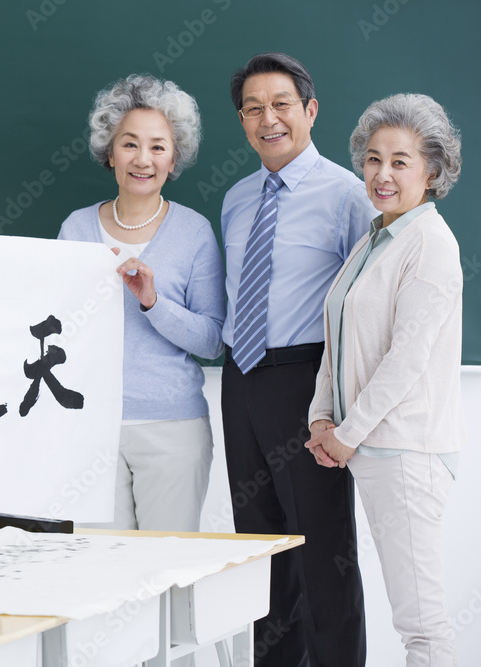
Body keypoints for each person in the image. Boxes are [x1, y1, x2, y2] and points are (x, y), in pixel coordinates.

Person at [219, 52, 376, 666]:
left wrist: (343, 411)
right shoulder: (235, 199)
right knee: (260, 547)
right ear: (242, 121)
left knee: (323, 547)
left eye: (281, 104)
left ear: (310, 110)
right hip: (242, 378)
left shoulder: (348, 195)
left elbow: (367, 310)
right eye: (253, 109)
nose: (269, 119)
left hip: (311, 384)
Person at [305, 93, 463, 666]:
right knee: (408, 612)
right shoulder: (375, 239)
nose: (383, 173)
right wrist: (321, 417)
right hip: (371, 446)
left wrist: (348, 433)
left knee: (420, 623)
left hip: (405, 452)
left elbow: (406, 358)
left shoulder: (429, 244)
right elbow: (338, 335)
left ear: (433, 171)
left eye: (401, 161)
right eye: (373, 159)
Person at [58, 74, 225, 536]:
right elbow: (57, 329)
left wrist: (154, 302)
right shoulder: (75, 228)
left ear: (174, 159)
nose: (143, 159)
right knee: (101, 571)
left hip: (172, 429)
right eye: (130, 144)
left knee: (165, 570)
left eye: (157, 147)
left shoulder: (193, 233)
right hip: (91, 425)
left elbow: (212, 340)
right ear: (109, 152)